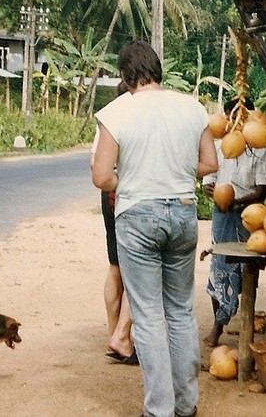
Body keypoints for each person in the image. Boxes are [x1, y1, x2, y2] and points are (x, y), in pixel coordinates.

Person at [92, 41, 218, 417]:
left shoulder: (115, 112)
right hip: (182, 213)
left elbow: (101, 176)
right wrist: (173, 174)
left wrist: (133, 180)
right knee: (180, 311)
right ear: (157, 70)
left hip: (137, 216)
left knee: (146, 315)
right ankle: (185, 405)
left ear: (127, 75)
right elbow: (209, 163)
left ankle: (159, 409)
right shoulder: (192, 108)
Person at [202, 98, 266, 348]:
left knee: (245, 270)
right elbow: (209, 178)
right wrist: (213, 192)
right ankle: (218, 326)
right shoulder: (220, 147)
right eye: (231, 116)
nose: (235, 121)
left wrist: (237, 201)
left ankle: (243, 321)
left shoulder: (259, 148)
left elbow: (261, 191)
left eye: (240, 116)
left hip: (248, 214)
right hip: (222, 215)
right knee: (219, 268)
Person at [91, 81, 137, 365]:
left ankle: (115, 333)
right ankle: (121, 335)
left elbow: (95, 164)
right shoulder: (131, 116)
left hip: (109, 193)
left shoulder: (106, 118)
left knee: (115, 267)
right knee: (139, 268)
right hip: (128, 195)